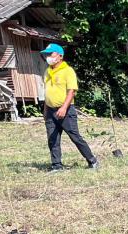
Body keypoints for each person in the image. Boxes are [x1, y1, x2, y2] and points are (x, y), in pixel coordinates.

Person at [40, 43, 98, 172]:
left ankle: (92, 160)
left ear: (60, 56)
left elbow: (72, 91)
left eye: (51, 54)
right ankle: (57, 165)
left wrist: (64, 108)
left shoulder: (68, 71)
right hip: (50, 110)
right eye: (46, 54)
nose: (48, 57)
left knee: (75, 137)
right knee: (52, 139)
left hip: (65, 110)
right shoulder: (47, 71)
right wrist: (45, 111)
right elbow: (47, 92)